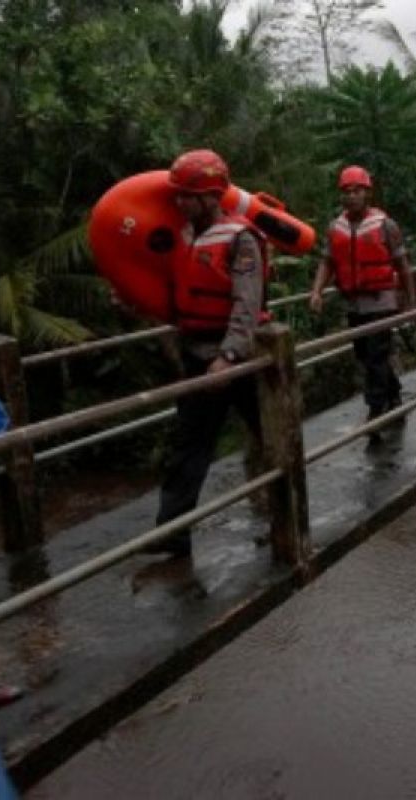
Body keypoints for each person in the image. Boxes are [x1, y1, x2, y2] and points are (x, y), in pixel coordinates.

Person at [147, 149, 269, 558]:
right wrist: (132, 303)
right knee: (188, 445)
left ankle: (288, 509)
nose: (180, 202)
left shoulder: (241, 238)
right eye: (178, 195)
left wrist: (230, 356)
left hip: (244, 358)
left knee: (270, 434)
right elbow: (174, 297)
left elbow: (247, 304)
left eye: (188, 196)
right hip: (198, 355)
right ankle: (172, 533)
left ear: (213, 197)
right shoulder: (180, 237)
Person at [310, 165, 416, 443]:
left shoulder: (385, 225)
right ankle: (393, 397)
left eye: (357, 190)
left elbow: (402, 265)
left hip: (381, 301)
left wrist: (411, 301)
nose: (351, 196)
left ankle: (375, 413)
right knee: (366, 356)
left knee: (376, 356)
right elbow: (328, 262)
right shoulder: (336, 228)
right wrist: (316, 292)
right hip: (354, 303)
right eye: (346, 192)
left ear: (367, 193)